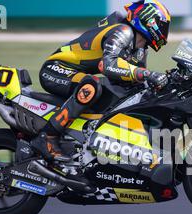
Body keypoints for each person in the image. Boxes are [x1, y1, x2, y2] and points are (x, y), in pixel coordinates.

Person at [31, 0, 171, 164]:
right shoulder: (123, 31)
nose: (164, 31)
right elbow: (107, 65)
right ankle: (47, 136)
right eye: (162, 25)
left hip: (78, 74)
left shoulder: (140, 48)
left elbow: (135, 83)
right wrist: (147, 74)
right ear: (149, 20)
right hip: (56, 69)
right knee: (92, 86)